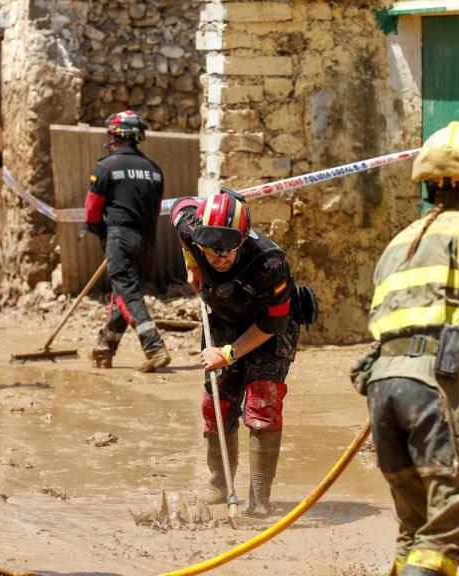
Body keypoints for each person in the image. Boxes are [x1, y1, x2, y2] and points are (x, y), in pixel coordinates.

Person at [355, 121, 459, 576]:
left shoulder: (398, 243)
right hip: (434, 385)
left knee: (415, 529)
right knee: (449, 527)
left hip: (384, 389)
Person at [171, 188, 313, 518]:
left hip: (269, 327)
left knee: (262, 404)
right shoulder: (191, 230)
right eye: (210, 250)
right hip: (223, 316)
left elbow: (271, 325)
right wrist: (193, 261)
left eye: (227, 251)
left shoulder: (268, 263)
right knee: (216, 403)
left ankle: (259, 498)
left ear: (243, 240)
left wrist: (230, 354)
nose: (219, 257)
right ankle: (219, 484)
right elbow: (179, 204)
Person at [84, 109, 170, 372]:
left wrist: (100, 232)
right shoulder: (155, 170)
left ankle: (154, 347)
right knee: (126, 293)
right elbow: (154, 209)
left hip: (120, 236)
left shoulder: (106, 166)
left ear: (118, 135)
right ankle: (105, 347)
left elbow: (91, 209)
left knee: (128, 294)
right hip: (147, 240)